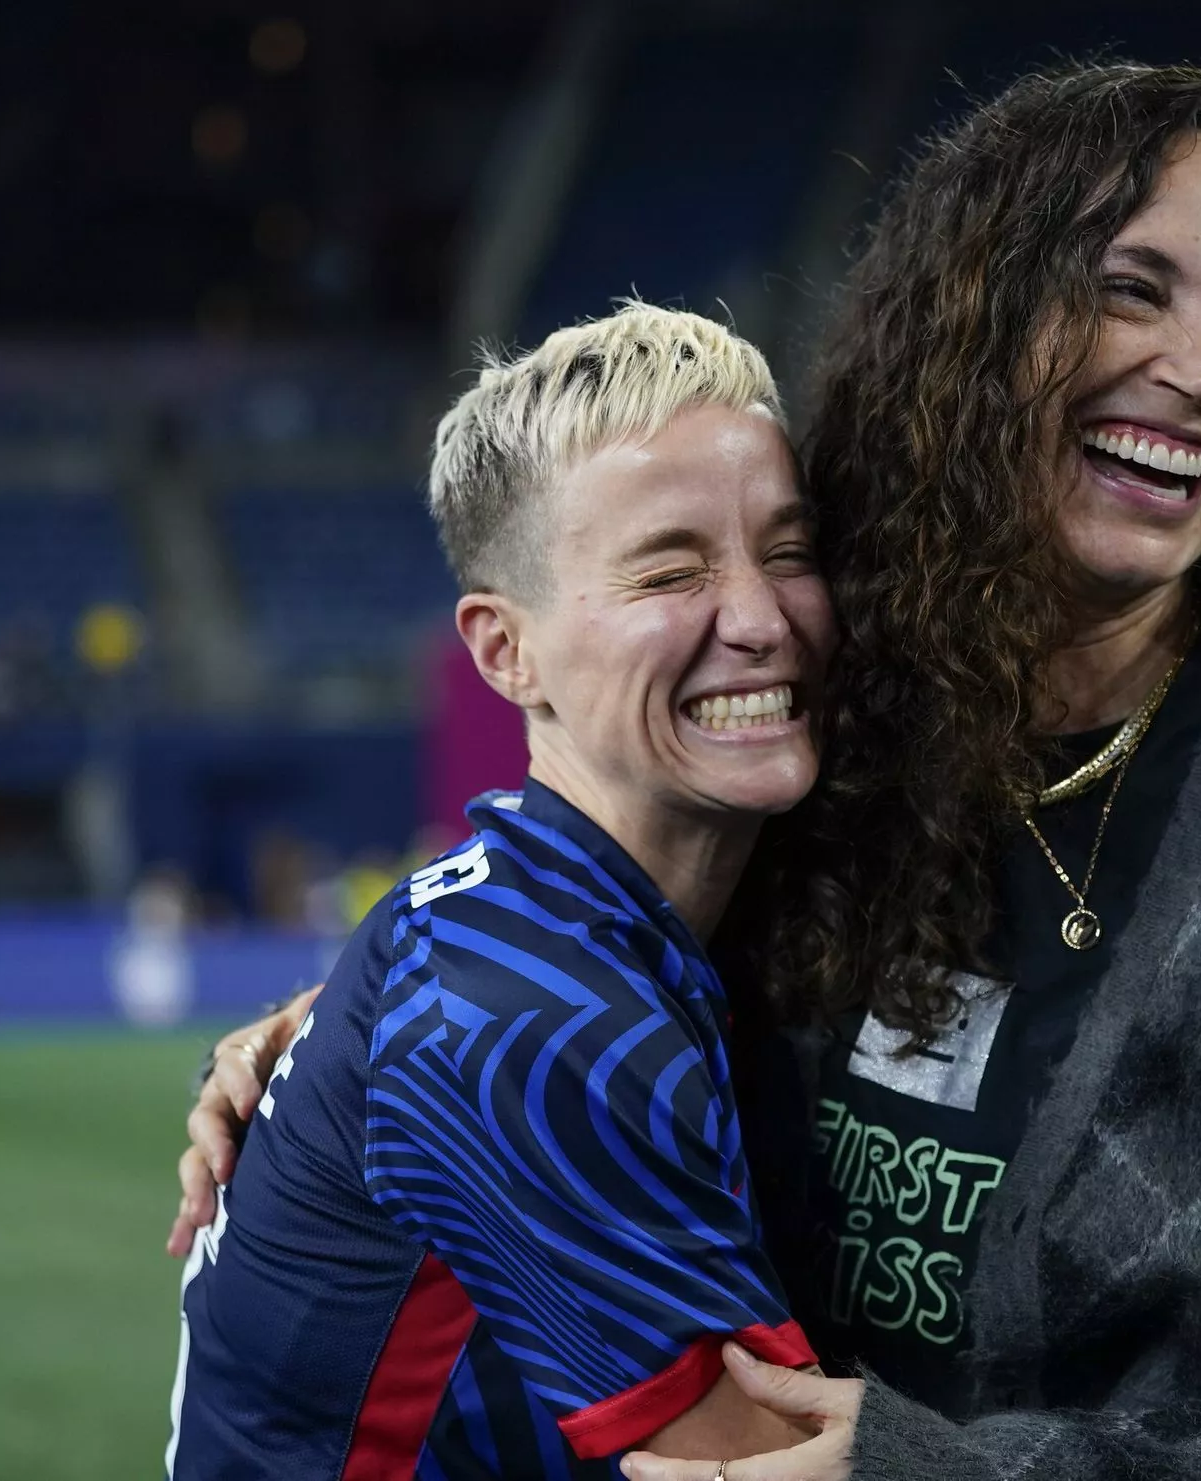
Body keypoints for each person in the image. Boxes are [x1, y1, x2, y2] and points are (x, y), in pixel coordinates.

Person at [177, 63, 1201, 1481]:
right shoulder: (834, 729)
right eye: (1129, 288)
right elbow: (566, 982)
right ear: (977, 324)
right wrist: (334, 1051)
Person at [166, 304, 838, 1478]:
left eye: (787, 551)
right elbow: (772, 1465)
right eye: (670, 570)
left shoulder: (515, 917)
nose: (761, 615)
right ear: (502, 652)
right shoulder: (533, 1021)